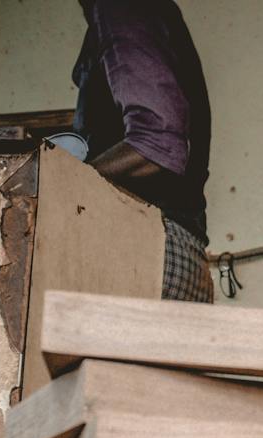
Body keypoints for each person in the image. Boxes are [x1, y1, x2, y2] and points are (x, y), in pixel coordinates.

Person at [73, 0, 213, 302]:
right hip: (180, 250)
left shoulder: (121, 7)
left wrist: (63, 180)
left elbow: (155, 147)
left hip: (146, 244)